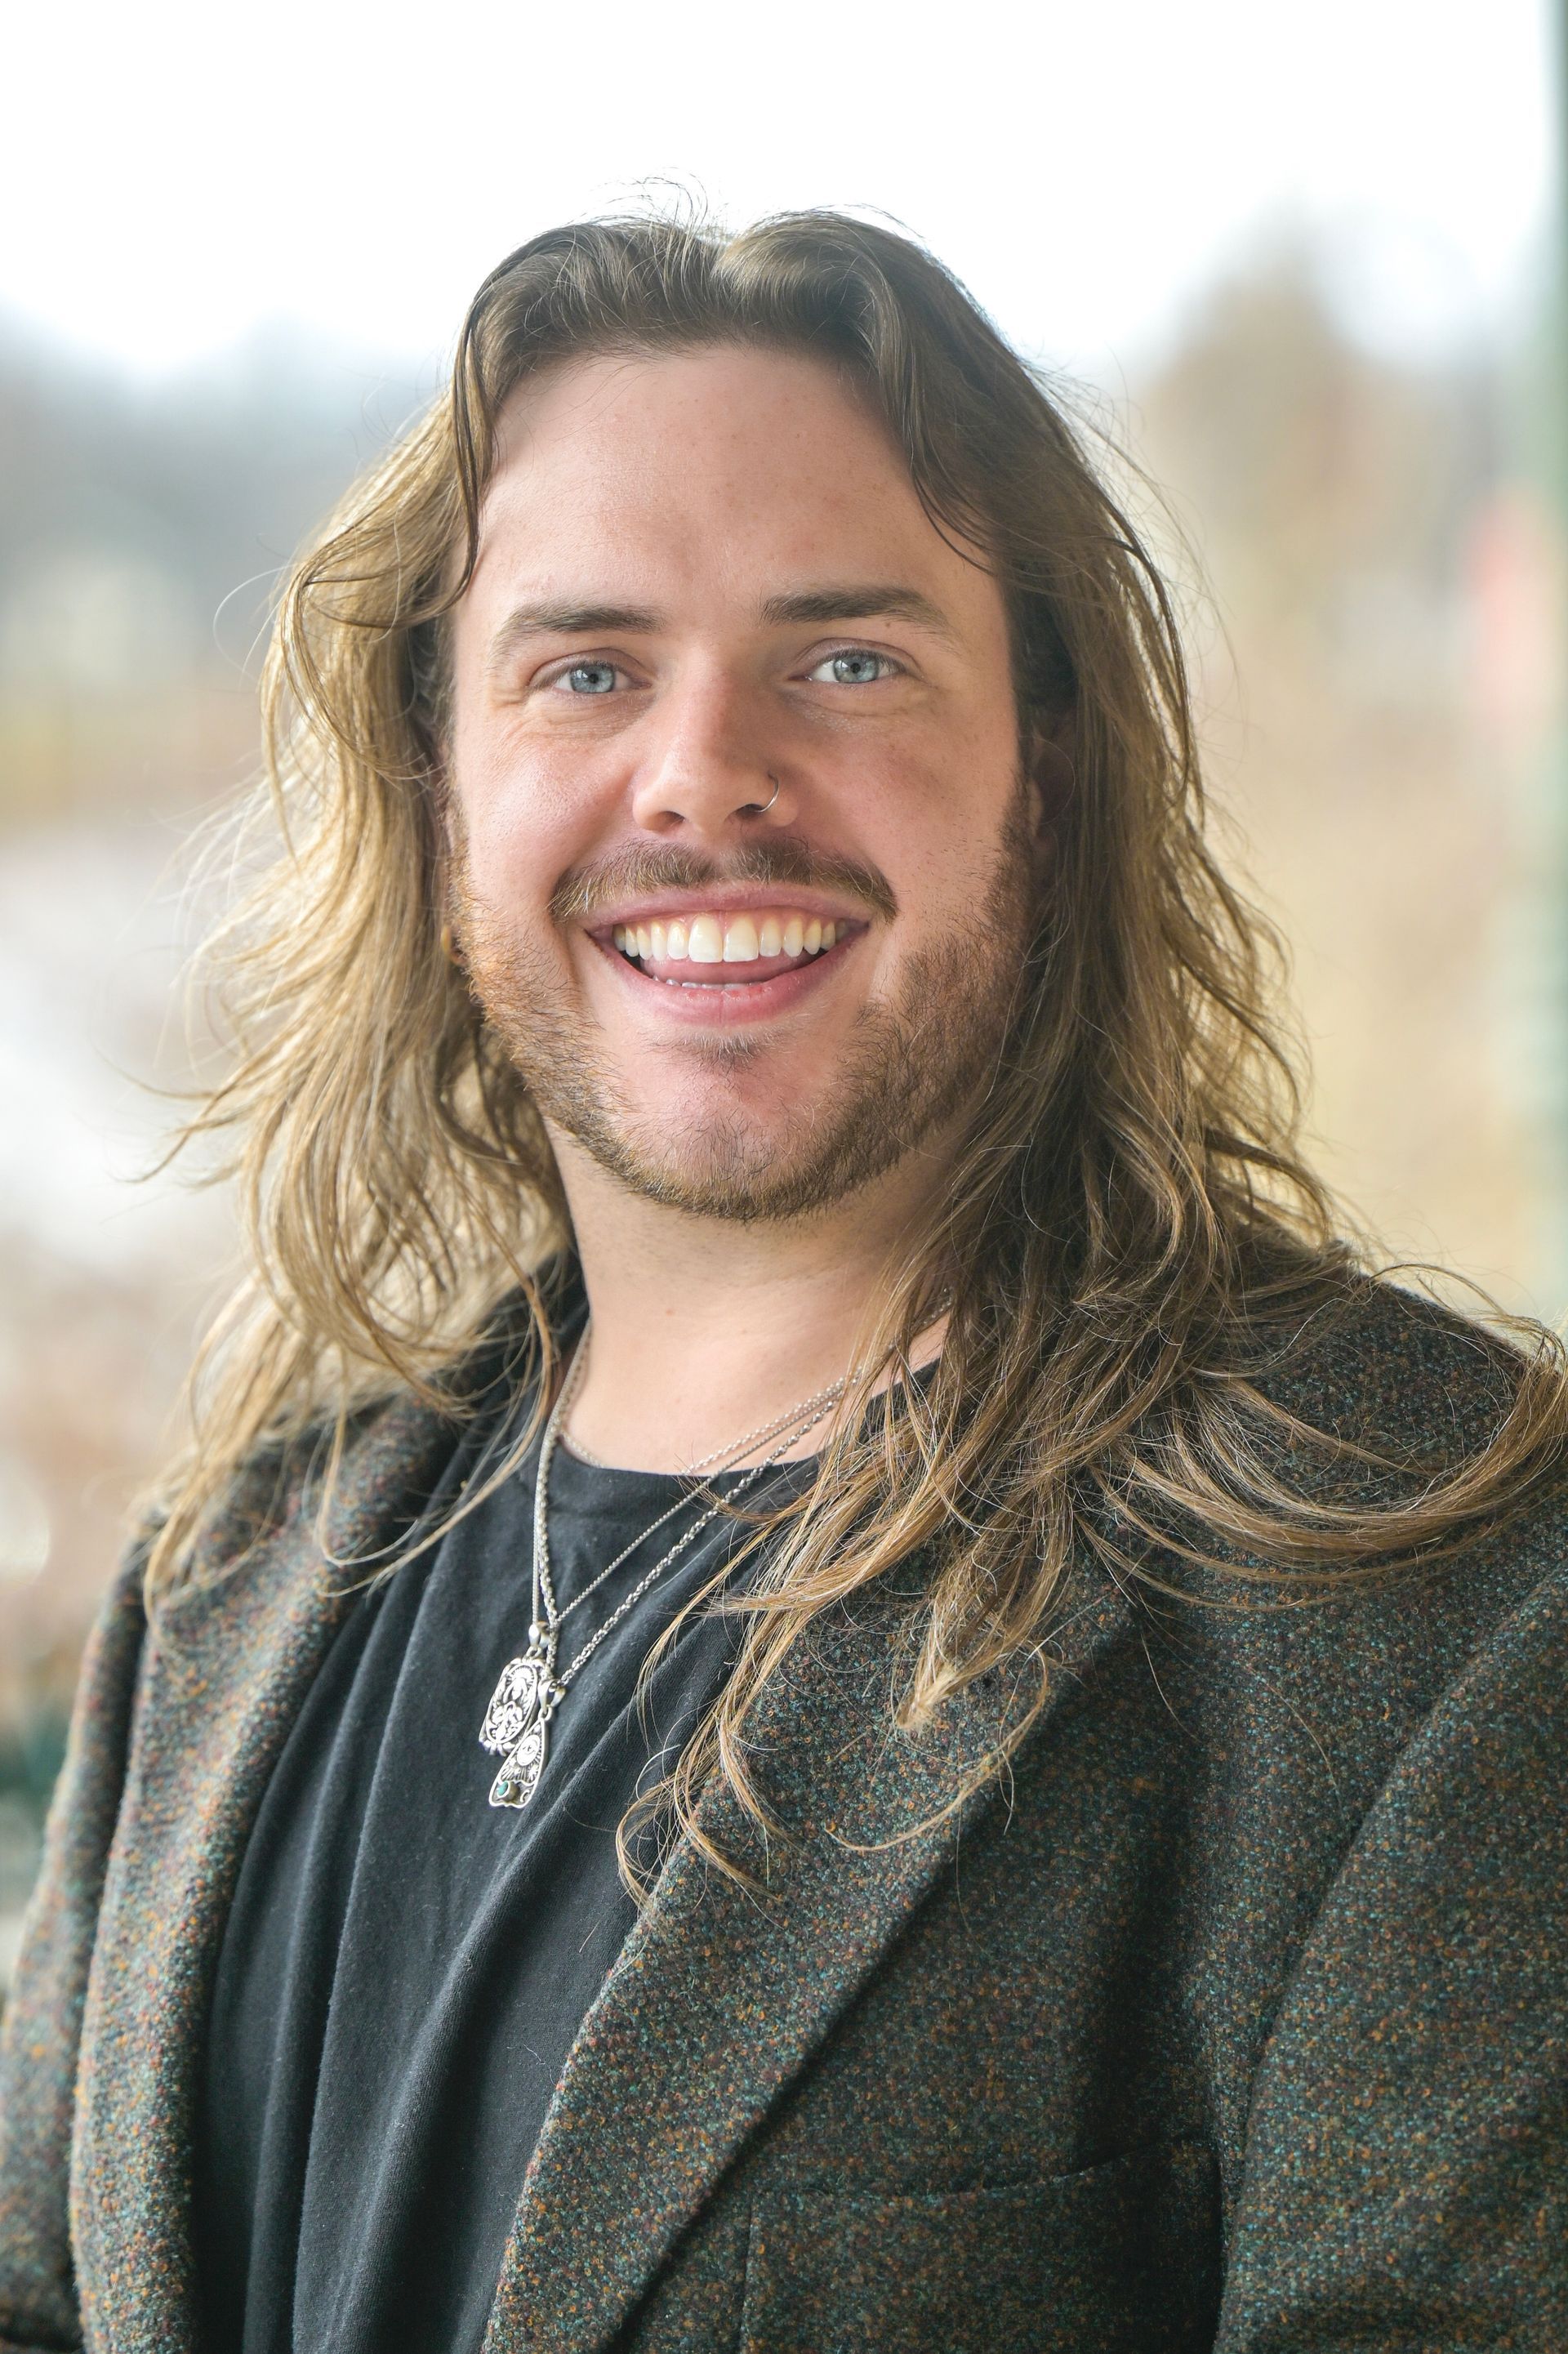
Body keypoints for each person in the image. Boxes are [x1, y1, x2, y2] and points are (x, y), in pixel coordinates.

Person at [2, 210, 1565, 2354]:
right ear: (441, 787)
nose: (702, 770)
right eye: (586, 668)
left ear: (1052, 764)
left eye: (847, 661)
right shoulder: (226, 1587)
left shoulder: (1431, 1582)